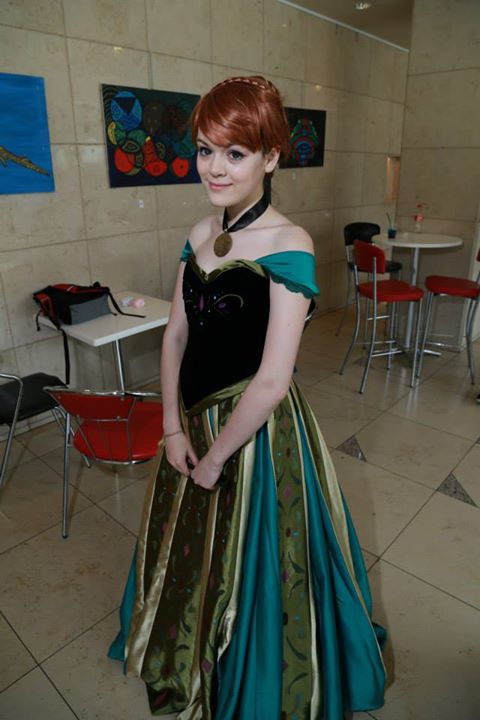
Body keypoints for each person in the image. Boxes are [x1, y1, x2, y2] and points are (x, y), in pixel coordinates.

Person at [109, 75, 386, 719]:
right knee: (189, 553)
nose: (214, 167)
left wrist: (214, 460)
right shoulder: (200, 231)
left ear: (271, 157)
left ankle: (242, 672)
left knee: (256, 570)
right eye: (206, 150)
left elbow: (271, 379)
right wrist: (173, 429)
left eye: (235, 153)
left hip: (256, 435)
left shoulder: (291, 244)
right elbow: (175, 335)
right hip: (191, 425)